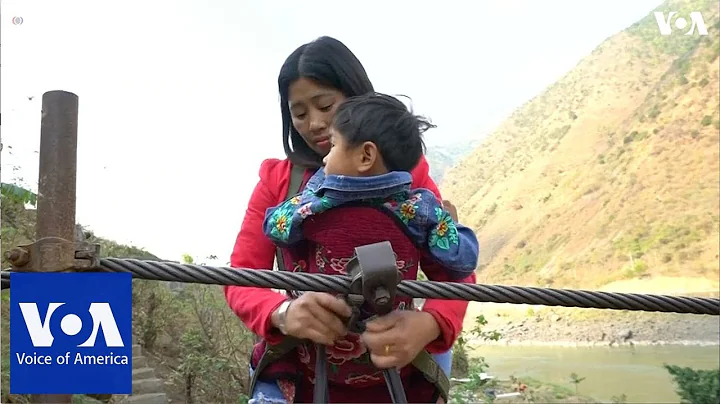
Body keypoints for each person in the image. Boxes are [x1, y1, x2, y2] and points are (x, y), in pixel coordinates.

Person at [224, 36, 476, 403]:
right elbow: (241, 276)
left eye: (326, 105)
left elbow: (455, 275)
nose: (315, 123)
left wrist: (429, 324)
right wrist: (282, 313)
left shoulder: (409, 178)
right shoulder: (278, 181)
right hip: (302, 380)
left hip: (398, 381)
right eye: (299, 113)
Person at [263, 92, 479, 279]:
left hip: (324, 319)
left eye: (334, 146)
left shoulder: (319, 204)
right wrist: (450, 226)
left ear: (366, 156)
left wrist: (318, 184)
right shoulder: (418, 208)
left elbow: (274, 227)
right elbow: (462, 262)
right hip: (393, 323)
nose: (325, 159)